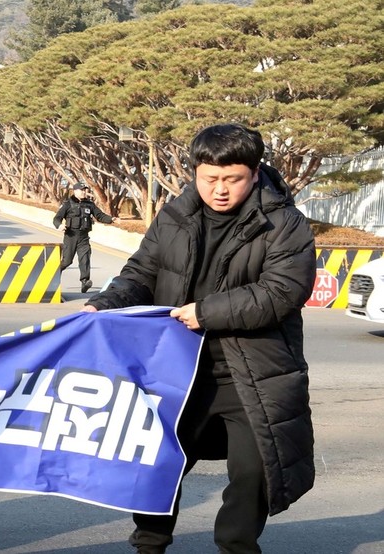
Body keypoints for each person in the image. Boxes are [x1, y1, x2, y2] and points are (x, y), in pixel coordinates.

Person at [83, 123, 316, 553]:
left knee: (254, 472)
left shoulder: (284, 225)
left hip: (250, 373)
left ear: (254, 173)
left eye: (233, 179)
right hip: (176, 369)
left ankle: (236, 546)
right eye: (210, 179)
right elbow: (141, 274)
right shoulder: (175, 216)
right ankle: (149, 544)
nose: (220, 190)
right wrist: (104, 303)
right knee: (155, 464)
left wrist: (206, 312)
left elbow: (283, 292)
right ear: (195, 172)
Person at [52, 183, 119, 293]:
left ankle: (85, 281)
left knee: (85, 259)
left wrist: (111, 219)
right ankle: (52, 274)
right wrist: (59, 225)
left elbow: (100, 215)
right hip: (71, 236)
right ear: (75, 191)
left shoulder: (89, 204)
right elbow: (57, 218)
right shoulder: (68, 204)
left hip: (84, 236)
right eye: (81, 190)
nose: (84, 192)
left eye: (85, 190)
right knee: (67, 261)